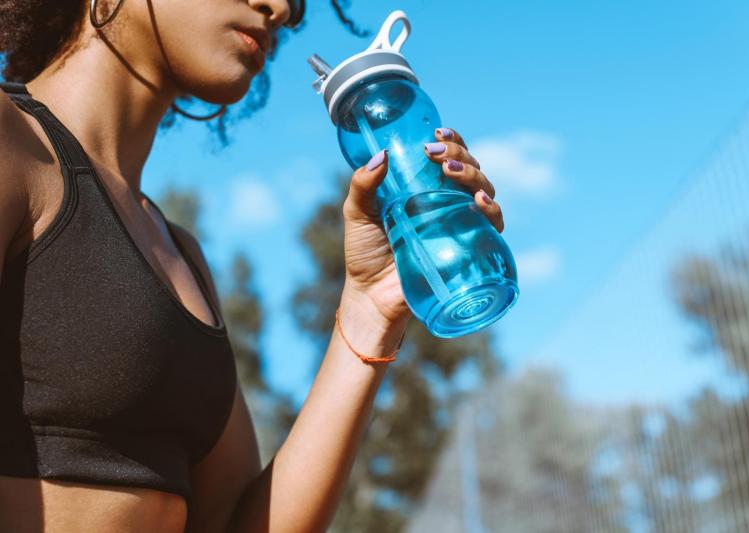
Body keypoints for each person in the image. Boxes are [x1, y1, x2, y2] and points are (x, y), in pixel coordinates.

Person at [0, 0, 505, 531]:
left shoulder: (180, 254)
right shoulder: (10, 146)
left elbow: (236, 525)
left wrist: (370, 309)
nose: (282, 8)